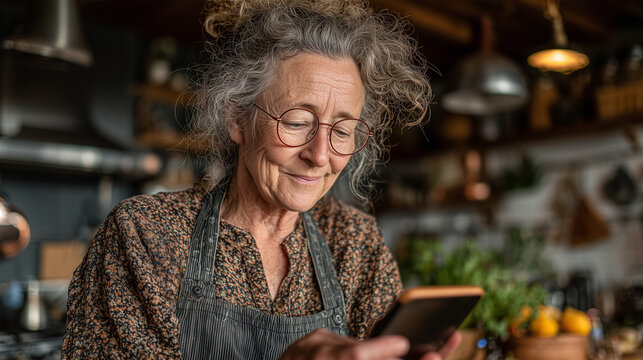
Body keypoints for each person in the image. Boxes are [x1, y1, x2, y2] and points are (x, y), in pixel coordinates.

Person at [62, 0, 461, 359]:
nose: (319, 155)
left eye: (342, 131)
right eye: (297, 122)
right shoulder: (146, 236)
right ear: (238, 118)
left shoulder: (355, 243)